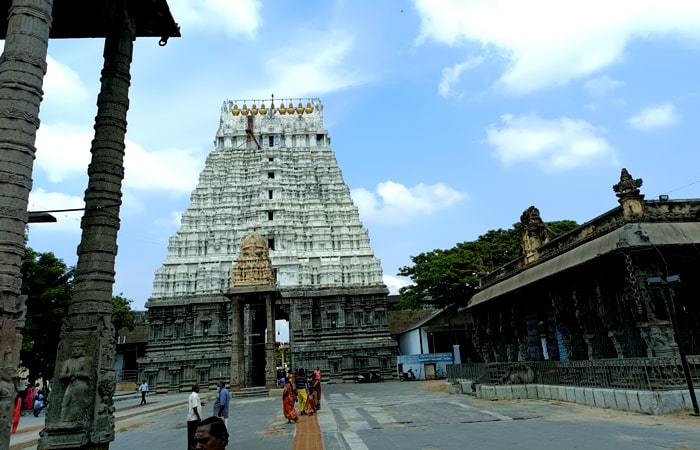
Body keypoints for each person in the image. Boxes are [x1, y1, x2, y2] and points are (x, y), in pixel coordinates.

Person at [59, 342, 92, 423]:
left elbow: (87, 374)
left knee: (76, 402)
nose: (75, 351)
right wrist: (68, 375)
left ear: (83, 350)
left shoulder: (85, 360)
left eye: (78, 349)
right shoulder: (68, 362)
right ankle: (63, 420)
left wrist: (77, 374)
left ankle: (73, 420)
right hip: (71, 383)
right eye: (73, 349)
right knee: (65, 401)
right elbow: (62, 375)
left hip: (80, 384)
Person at [187, 384, 204, 450]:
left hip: (191, 419)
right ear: (196, 388)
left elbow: (195, 405)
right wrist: (198, 416)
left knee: (191, 435)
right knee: (194, 435)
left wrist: (200, 404)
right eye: (199, 388)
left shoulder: (191, 395)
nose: (199, 389)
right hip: (194, 419)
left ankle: (191, 447)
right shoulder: (195, 395)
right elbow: (194, 407)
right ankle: (193, 448)